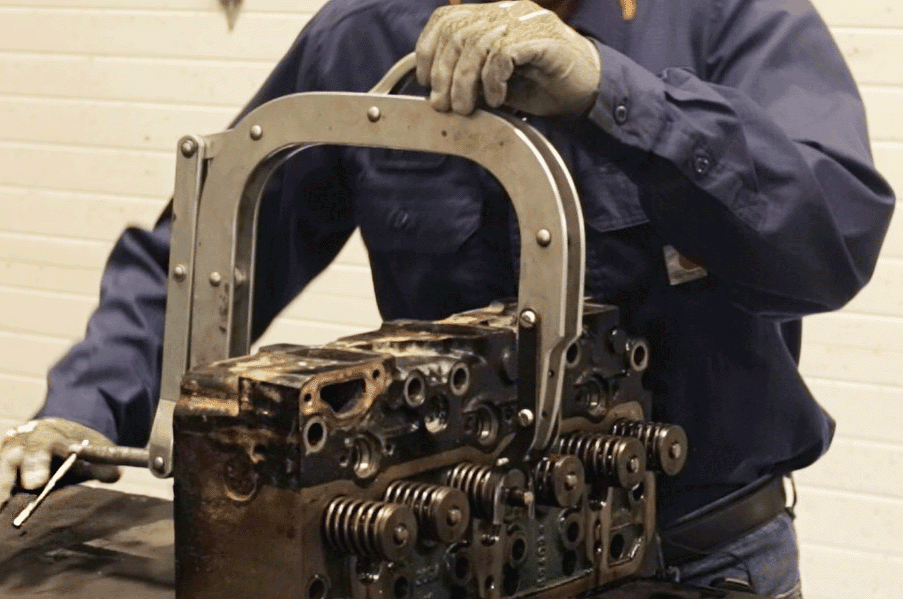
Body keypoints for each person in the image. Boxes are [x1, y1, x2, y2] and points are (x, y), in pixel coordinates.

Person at [0, 0, 894, 596]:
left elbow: (834, 238)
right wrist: (83, 414)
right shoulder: (369, 32)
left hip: (703, 560)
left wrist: (609, 92)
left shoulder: (724, 17)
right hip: (446, 556)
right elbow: (202, 250)